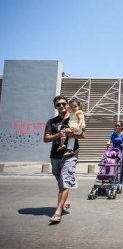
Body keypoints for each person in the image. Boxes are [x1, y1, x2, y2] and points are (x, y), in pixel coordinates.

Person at [44, 95, 85, 223]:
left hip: (71, 154)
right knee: (59, 179)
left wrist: (71, 133)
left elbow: (83, 136)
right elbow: (46, 139)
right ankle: (66, 197)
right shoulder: (52, 121)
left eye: (63, 104)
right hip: (55, 155)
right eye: (58, 105)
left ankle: (58, 211)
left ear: (67, 104)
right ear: (55, 107)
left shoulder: (74, 117)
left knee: (65, 180)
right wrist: (58, 135)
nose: (61, 106)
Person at [106, 120, 123, 190]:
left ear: (121, 127)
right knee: (113, 167)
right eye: (116, 125)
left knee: (121, 168)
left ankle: (121, 182)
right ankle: (114, 180)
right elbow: (110, 140)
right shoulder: (113, 133)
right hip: (114, 153)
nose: (116, 127)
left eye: (118, 126)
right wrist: (108, 142)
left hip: (122, 153)